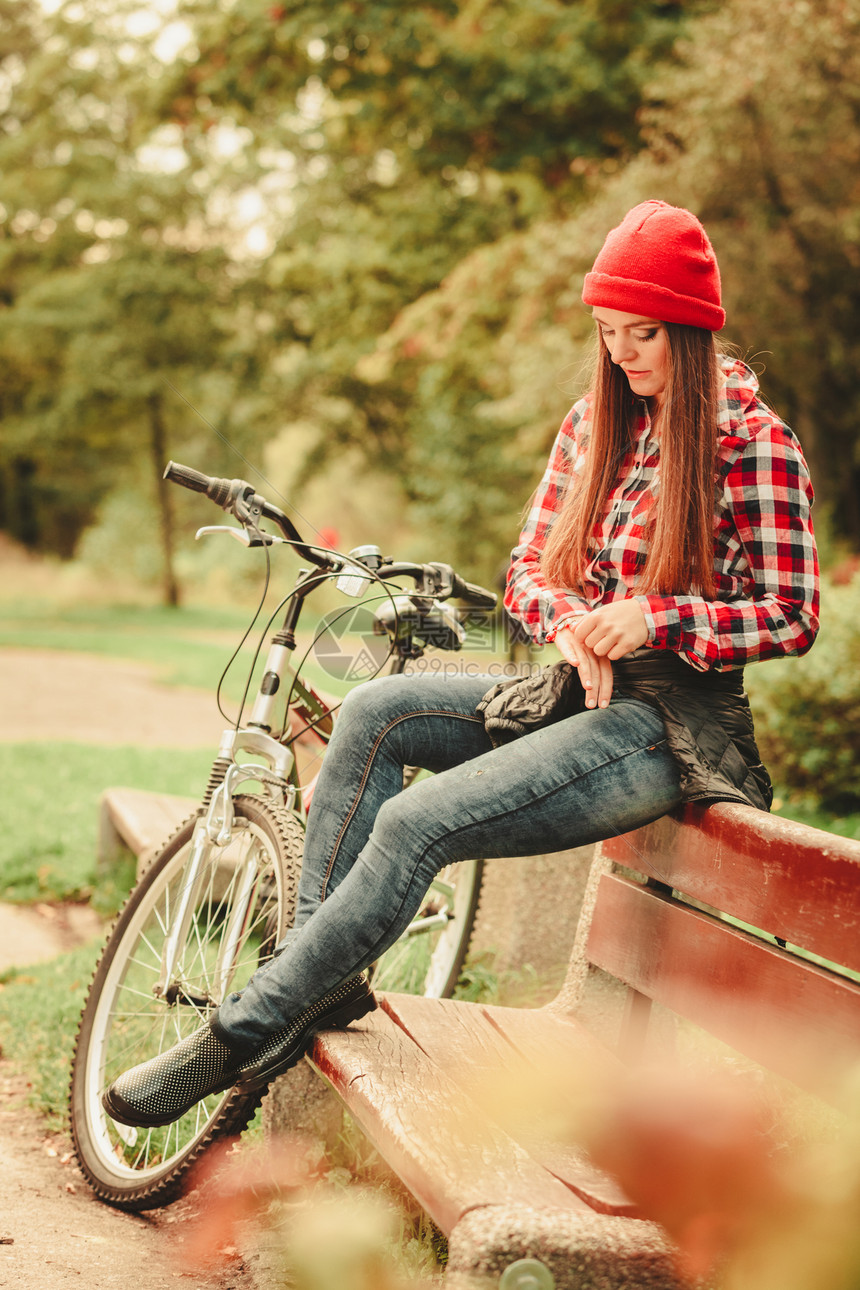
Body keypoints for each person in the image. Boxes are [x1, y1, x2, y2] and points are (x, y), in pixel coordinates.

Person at [103, 200, 819, 1128]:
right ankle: (316, 981)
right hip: (570, 688)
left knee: (416, 823)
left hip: (668, 728)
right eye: (607, 334)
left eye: (642, 334)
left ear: (690, 332)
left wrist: (657, 619)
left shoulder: (753, 444)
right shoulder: (596, 424)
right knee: (377, 711)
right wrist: (568, 622)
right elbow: (525, 569)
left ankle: (239, 1032)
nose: (623, 355)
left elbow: (793, 616)